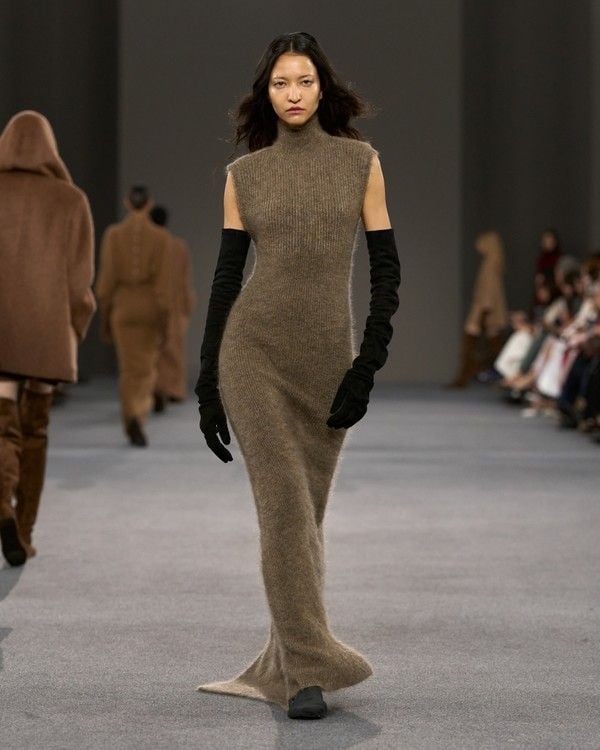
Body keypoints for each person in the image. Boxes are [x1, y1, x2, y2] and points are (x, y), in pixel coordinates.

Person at [194, 32, 401, 720]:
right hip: (252, 353)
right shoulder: (244, 175)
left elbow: (386, 271)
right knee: (284, 509)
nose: (293, 94)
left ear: (322, 88)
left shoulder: (360, 163)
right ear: (266, 92)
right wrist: (207, 380)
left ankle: (279, 665)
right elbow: (226, 281)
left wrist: (367, 364)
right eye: (280, 82)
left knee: (305, 521)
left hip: (328, 363)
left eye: (304, 81)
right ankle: (313, 668)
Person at [0, 111, 96, 565]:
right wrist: (74, 329)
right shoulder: (70, 200)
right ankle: (23, 530)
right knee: (35, 430)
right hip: (47, 333)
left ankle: (1, 506)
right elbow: (80, 284)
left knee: (2, 424)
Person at [96, 187, 172, 447]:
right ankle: (138, 414)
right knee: (146, 367)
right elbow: (164, 284)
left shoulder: (114, 235)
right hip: (149, 305)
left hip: (123, 305)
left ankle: (131, 414)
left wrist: (105, 314)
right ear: (149, 203)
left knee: (128, 368)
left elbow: (106, 282)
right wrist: (165, 318)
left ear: (127, 203)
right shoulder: (160, 238)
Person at [149, 205, 197, 408]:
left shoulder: (149, 247)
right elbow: (185, 278)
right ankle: (174, 389)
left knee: (153, 349)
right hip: (175, 305)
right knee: (174, 349)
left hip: (153, 303)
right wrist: (188, 304)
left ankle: (155, 388)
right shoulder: (178, 246)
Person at [448, 230, 508, 388]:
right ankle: (467, 376)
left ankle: (464, 378)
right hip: (489, 312)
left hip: (483, 311)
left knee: (470, 346)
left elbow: (488, 292)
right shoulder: (494, 262)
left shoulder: (490, 264)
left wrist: (481, 315)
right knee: (494, 347)